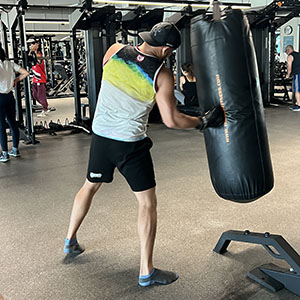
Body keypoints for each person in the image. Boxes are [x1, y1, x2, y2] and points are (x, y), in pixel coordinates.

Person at [64, 22, 224, 287]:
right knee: (147, 203)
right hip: (130, 144)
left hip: (101, 136)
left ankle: (70, 240)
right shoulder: (162, 74)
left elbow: (117, 76)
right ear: (167, 49)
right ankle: (146, 271)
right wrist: (202, 123)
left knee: (90, 186)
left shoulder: (113, 51)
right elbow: (171, 120)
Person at [0, 46, 29, 163]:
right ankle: (15, 150)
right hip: (10, 97)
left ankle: (5, 154)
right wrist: (15, 81)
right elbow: (26, 73)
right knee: (13, 123)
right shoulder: (10, 64)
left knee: (1, 126)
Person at [29, 40, 54, 117]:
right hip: (35, 79)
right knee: (35, 95)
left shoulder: (39, 55)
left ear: (37, 45)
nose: (31, 46)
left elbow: (38, 61)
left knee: (41, 95)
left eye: (32, 45)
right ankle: (45, 106)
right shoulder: (32, 54)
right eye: (30, 45)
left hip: (40, 79)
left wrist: (33, 51)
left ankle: (45, 109)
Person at [285, 45, 300, 111]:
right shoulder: (298, 54)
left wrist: (287, 75)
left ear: (288, 50)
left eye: (286, 52)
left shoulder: (290, 56)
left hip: (297, 74)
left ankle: (299, 106)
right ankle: (297, 104)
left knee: (297, 90)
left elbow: (289, 67)